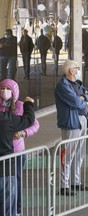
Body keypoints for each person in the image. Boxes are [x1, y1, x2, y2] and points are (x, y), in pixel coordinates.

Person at [54, 60, 88, 196]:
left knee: (79, 153)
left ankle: (75, 182)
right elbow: (77, 102)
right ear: (71, 71)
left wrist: (84, 98)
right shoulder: (62, 86)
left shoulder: (77, 84)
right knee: (68, 154)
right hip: (71, 122)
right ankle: (64, 185)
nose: (78, 71)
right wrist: (84, 99)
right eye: (77, 68)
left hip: (83, 119)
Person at [0, 79, 40, 215]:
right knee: (7, 186)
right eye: (2, 88)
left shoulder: (20, 106)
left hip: (16, 151)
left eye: (8, 88)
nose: (4, 91)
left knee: (15, 180)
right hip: (4, 153)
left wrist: (24, 132)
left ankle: (17, 209)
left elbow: (34, 124)